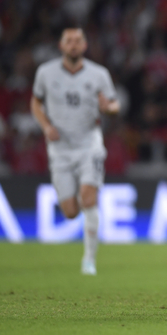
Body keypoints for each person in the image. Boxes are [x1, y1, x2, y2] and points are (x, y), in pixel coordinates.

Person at [31, 28, 120, 275]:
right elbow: (35, 102)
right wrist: (46, 126)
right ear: (61, 45)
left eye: (78, 40)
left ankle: (89, 260)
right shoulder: (45, 73)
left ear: (85, 45)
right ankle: (83, 205)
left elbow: (114, 103)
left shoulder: (99, 73)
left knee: (89, 199)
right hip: (59, 148)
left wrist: (109, 108)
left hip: (89, 143)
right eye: (68, 40)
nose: (73, 44)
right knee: (70, 211)